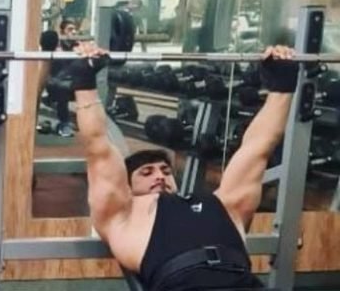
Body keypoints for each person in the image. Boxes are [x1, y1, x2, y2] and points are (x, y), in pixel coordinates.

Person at [69, 41, 300, 290]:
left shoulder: (225, 204)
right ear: (126, 185)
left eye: (166, 170)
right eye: (146, 172)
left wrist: (282, 84)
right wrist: (84, 82)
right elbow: (98, 146)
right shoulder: (122, 215)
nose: (159, 176)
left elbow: (258, 147)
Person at [37, 19, 78, 138]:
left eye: (75, 29)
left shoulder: (78, 47)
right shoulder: (56, 48)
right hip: (56, 83)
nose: (74, 32)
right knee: (61, 89)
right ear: (62, 32)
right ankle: (64, 123)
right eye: (70, 29)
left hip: (72, 83)